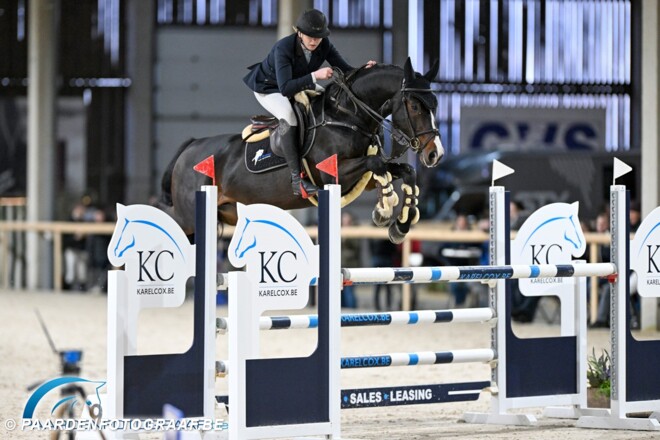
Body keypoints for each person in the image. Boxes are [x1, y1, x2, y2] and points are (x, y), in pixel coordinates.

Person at [243, 9, 376, 198]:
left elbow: (346, 70)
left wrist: (365, 70)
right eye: (310, 36)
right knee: (289, 116)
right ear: (299, 33)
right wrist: (315, 75)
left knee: (327, 101)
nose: (314, 41)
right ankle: (297, 180)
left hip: (298, 81)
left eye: (318, 37)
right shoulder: (284, 48)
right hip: (270, 88)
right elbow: (286, 89)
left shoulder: (324, 45)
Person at [340, 211, 360, 309]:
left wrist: (347, 238)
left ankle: (352, 310)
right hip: (340, 265)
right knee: (341, 291)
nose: (345, 221)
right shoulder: (338, 230)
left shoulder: (354, 231)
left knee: (349, 291)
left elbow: (356, 247)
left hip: (350, 265)